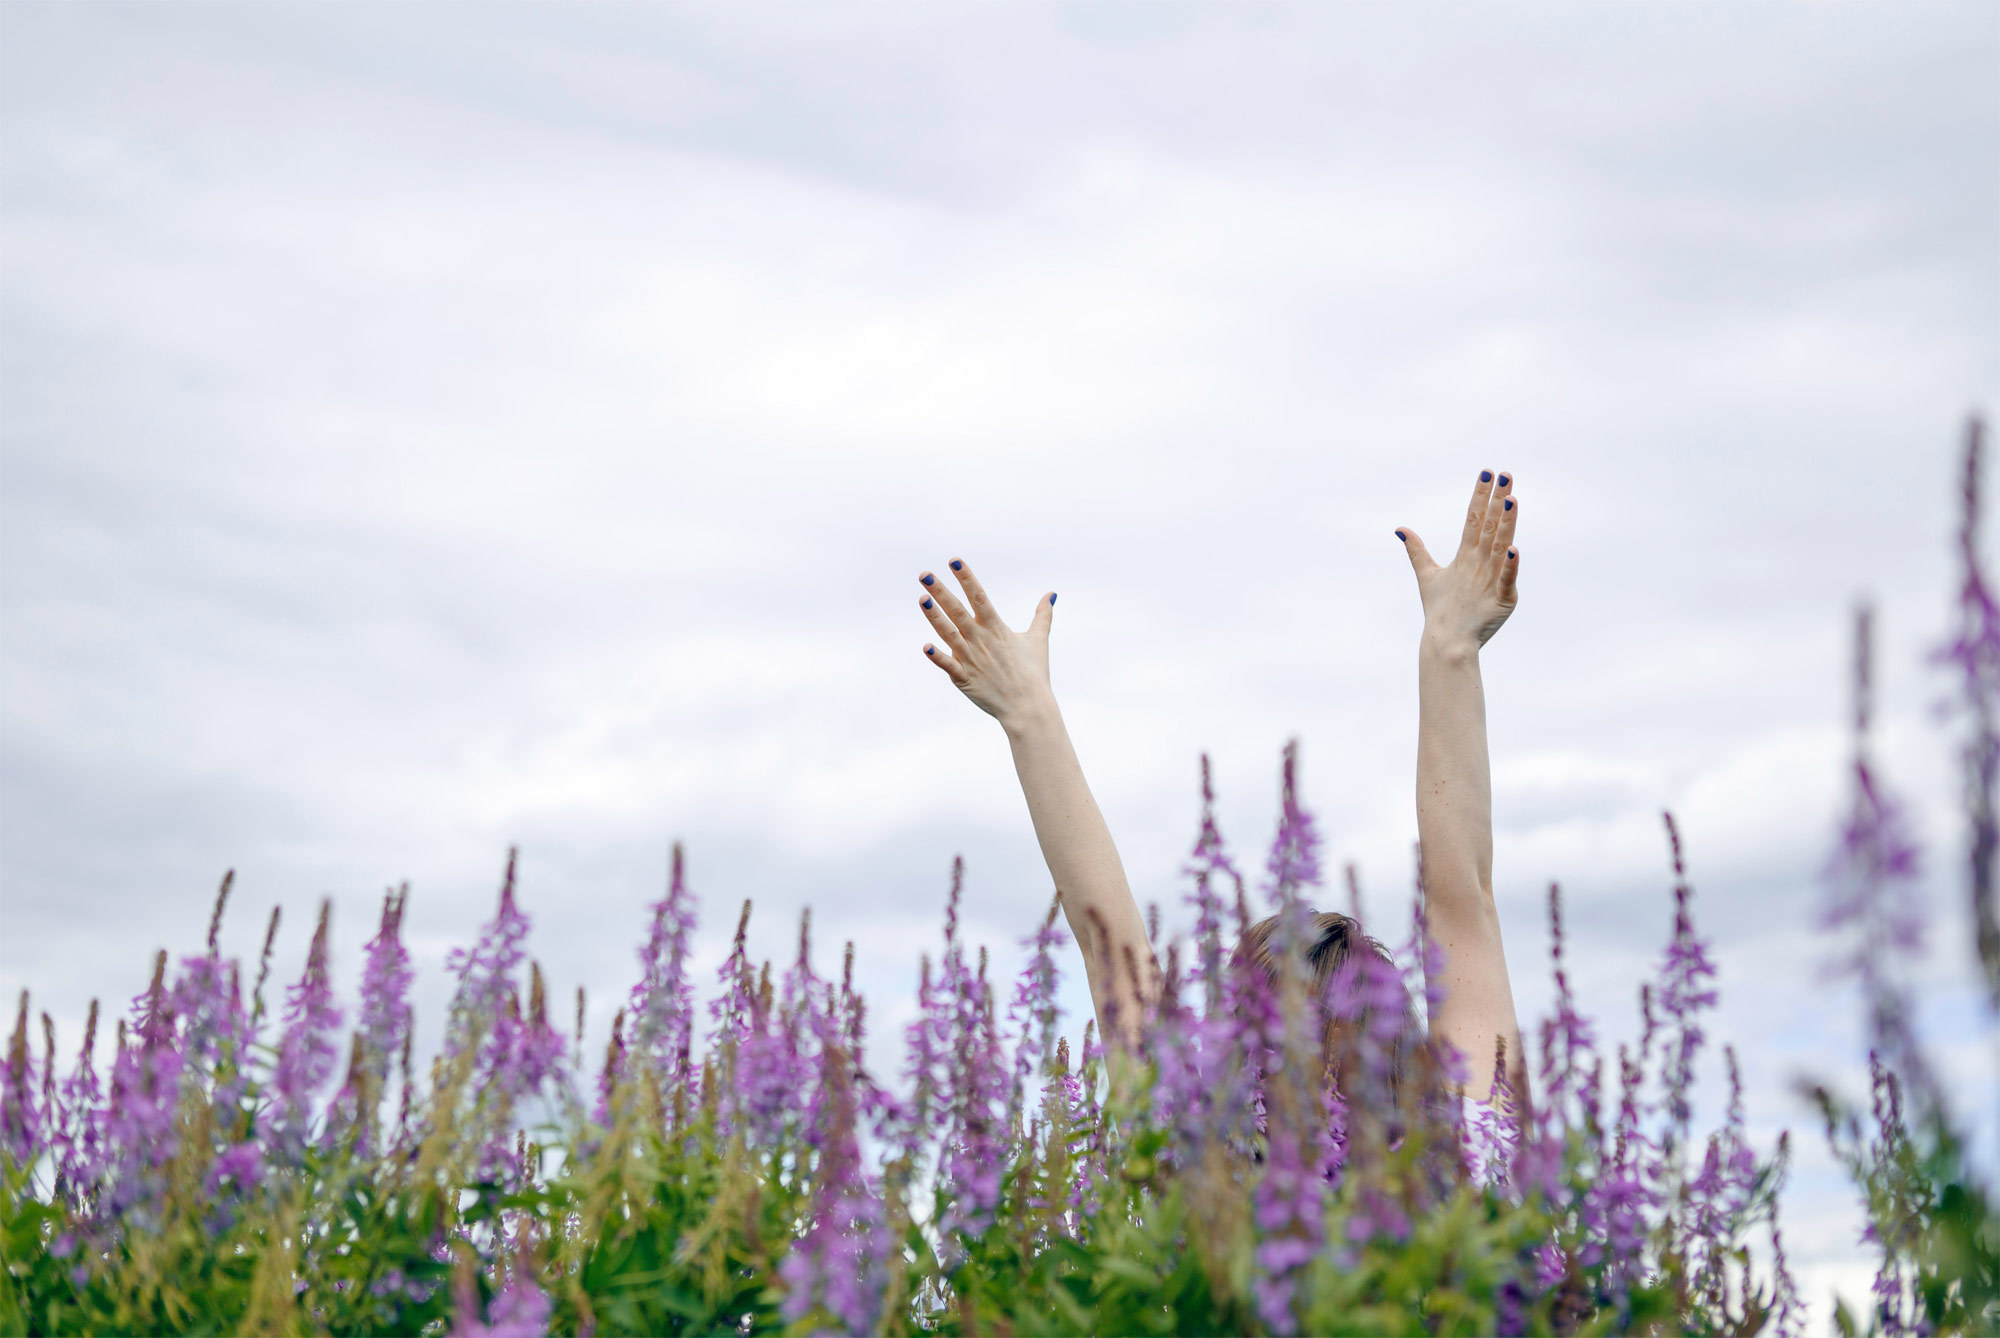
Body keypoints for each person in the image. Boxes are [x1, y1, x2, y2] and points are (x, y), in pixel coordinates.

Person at [913, 469, 1525, 1105]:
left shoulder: (1195, 1153)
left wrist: (1027, 712)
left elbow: (1107, 946)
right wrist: (1452, 646)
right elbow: (1467, 900)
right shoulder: (1471, 1144)